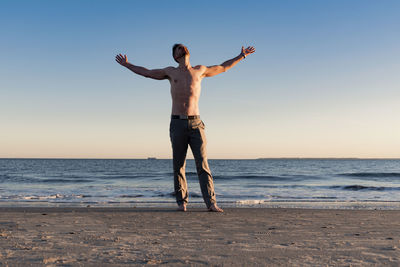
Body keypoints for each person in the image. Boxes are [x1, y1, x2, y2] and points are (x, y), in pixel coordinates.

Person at [115, 44, 255, 212]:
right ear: (175, 56)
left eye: (183, 47)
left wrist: (241, 56)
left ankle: (211, 203)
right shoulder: (170, 72)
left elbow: (223, 67)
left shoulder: (200, 70)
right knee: (178, 165)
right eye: (178, 48)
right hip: (177, 123)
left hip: (196, 123)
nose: (182, 48)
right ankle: (182, 203)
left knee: (202, 165)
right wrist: (127, 65)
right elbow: (147, 72)